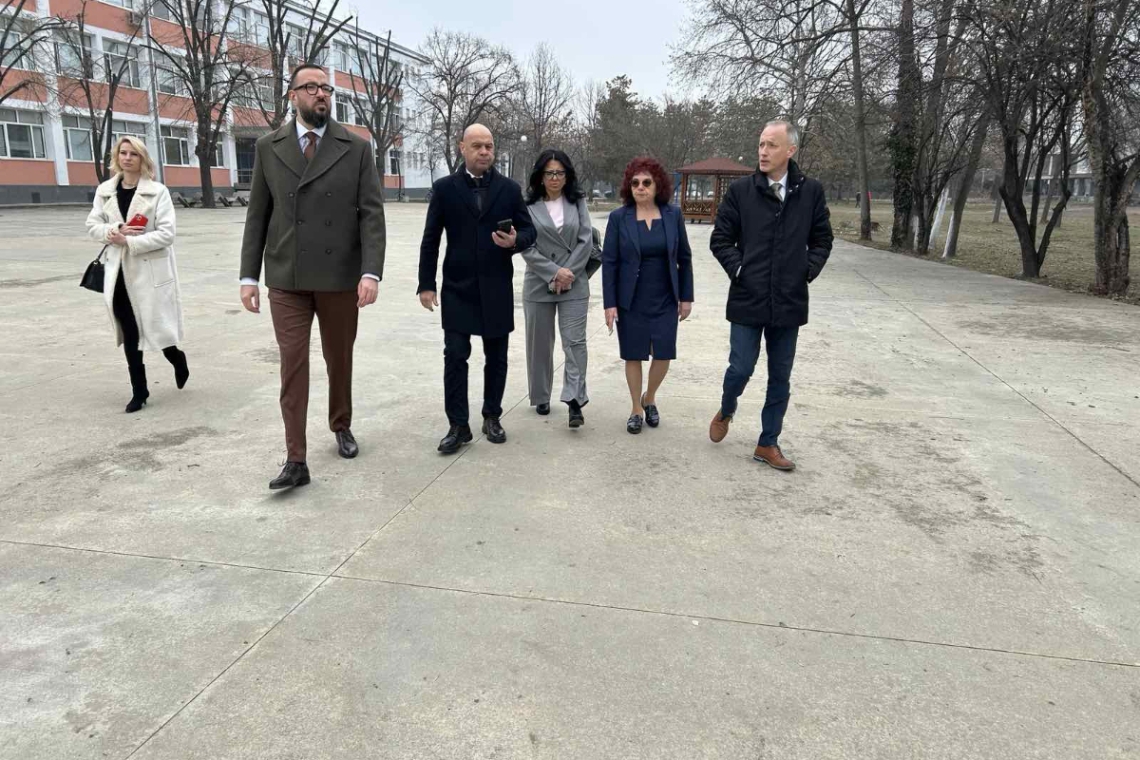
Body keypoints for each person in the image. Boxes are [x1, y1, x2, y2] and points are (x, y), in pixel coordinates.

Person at [239, 63, 386, 490]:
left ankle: (341, 424)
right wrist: (249, 276)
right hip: (287, 275)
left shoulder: (355, 148)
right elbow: (258, 215)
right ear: (293, 96)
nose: (321, 94)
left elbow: (371, 214)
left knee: (339, 358)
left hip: (340, 275)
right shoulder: (269, 147)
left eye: (326, 88)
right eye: (311, 87)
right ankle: (295, 458)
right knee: (293, 364)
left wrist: (370, 272)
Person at [708, 120, 833, 471]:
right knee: (740, 368)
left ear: (790, 150)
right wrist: (740, 270)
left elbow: (823, 239)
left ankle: (768, 442)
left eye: (771, 145)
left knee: (780, 376)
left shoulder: (811, 192)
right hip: (747, 298)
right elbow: (720, 239)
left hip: (789, 301)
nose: (763, 152)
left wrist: (806, 270)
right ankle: (727, 408)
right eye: (761, 144)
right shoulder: (741, 191)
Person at [417, 124, 537, 454]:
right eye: (477, 146)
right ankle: (458, 425)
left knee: (496, 357)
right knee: (455, 355)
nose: (485, 151)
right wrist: (426, 284)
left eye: (489, 146)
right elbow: (431, 238)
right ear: (462, 148)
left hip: (497, 286)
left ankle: (492, 416)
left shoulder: (509, 189)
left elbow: (530, 231)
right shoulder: (445, 189)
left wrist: (515, 241)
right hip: (457, 287)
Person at [86, 136, 188, 413]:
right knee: (130, 330)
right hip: (118, 271)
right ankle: (139, 390)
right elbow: (92, 225)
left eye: (133, 154)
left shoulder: (157, 192)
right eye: (123, 153)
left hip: (149, 271)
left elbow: (167, 234)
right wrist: (114, 230)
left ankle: (176, 357)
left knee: (155, 326)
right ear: (116, 157)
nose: (127, 158)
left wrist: (130, 241)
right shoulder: (105, 191)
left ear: (142, 158)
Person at [601, 157, 694, 435]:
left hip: (665, 296)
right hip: (631, 299)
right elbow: (610, 262)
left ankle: (649, 397)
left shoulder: (672, 215)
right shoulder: (619, 218)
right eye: (635, 183)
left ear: (657, 185)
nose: (640, 188)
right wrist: (610, 303)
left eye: (646, 182)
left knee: (663, 353)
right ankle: (635, 408)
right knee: (633, 354)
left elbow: (684, 258)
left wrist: (686, 297)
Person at [520, 149, 593, 428]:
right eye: (549, 173)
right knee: (539, 344)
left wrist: (567, 273)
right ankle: (541, 395)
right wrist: (554, 272)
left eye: (559, 173)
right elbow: (526, 245)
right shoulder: (527, 205)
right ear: (540, 176)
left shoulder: (577, 201)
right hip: (539, 281)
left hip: (574, 281)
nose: (554, 178)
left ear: (567, 175)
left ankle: (575, 400)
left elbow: (586, 240)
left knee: (575, 342)